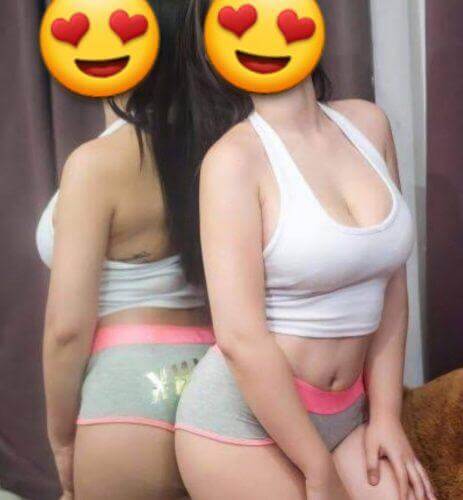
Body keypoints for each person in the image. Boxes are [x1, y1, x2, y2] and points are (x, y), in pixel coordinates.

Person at [174, 1, 437, 499]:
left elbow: (391, 284)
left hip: (350, 413)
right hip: (244, 424)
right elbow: (240, 338)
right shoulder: (232, 161)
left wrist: (386, 415)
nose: (264, 29)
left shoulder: (369, 125)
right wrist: (318, 469)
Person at [36, 2, 213, 499]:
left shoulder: (96, 164)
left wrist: (61, 439)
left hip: (128, 385)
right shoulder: (218, 142)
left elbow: (67, 329)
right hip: (214, 378)